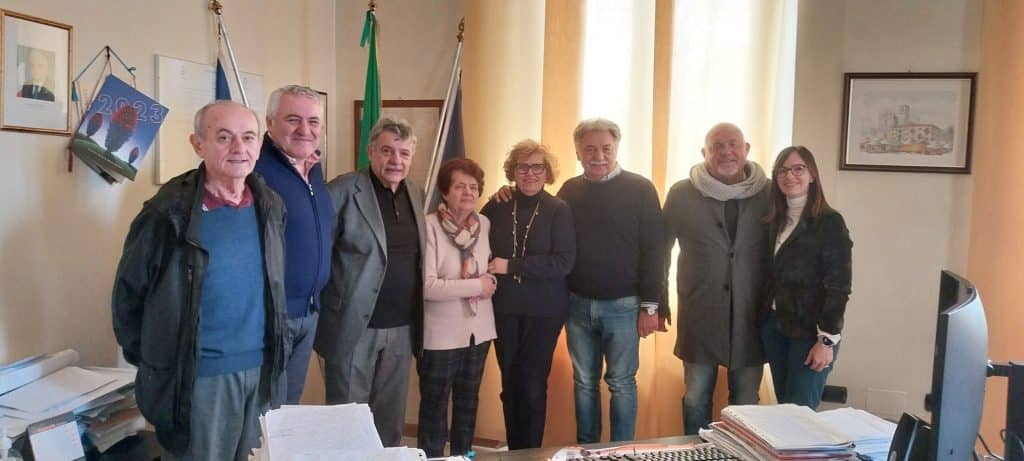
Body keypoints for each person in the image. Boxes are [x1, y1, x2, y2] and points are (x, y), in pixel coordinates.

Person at [111, 100, 287, 460]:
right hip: (200, 379)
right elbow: (128, 299)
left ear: (259, 145)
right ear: (198, 144)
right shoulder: (167, 213)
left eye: (248, 137)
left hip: (262, 371)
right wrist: (159, 361)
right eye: (224, 137)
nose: (239, 148)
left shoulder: (270, 205)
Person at [313, 117, 426, 447]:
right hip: (353, 327)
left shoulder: (416, 193)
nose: (396, 160)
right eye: (387, 151)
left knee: (390, 422)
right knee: (347, 422)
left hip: (402, 328)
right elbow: (319, 255)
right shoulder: (343, 190)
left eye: (404, 153)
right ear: (371, 151)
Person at [558, 118, 667, 443]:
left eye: (606, 148)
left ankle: (621, 451)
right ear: (578, 152)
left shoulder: (640, 189)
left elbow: (655, 251)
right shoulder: (569, 190)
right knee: (584, 383)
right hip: (577, 305)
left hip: (624, 307)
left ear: (617, 148)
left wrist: (651, 307)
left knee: (621, 383)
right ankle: (587, 450)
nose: (599, 156)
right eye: (590, 149)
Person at [663, 122, 771, 435]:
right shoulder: (682, 193)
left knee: (746, 401)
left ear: (746, 149)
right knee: (696, 397)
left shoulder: (769, 192)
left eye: (733, 144)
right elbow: (661, 250)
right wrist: (656, 302)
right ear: (704, 153)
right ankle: (696, 453)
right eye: (717, 146)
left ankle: (741, 454)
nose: (726, 152)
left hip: (752, 315)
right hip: (700, 312)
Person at [481, 140, 576, 449]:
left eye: (537, 167)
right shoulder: (497, 205)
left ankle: (530, 454)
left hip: (544, 312)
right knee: (510, 386)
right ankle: (514, 451)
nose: (530, 173)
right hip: (503, 309)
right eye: (523, 167)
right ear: (513, 171)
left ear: (547, 172)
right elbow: (472, 236)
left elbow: (563, 262)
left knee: (532, 387)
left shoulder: (558, 209)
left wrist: (511, 265)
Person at [254, 85, 333, 406]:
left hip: (308, 311)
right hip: (273, 315)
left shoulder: (312, 169)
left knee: (289, 408)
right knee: (267, 411)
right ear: (270, 123)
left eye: (313, 122)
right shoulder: (254, 172)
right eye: (293, 120)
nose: (305, 130)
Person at [759, 146, 852, 409]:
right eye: (782, 170)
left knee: (799, 413)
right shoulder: (774, 220)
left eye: (798, 169)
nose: (790, 176)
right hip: (776, 328)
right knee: (784, 410)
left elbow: (839, 286)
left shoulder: (829, 222)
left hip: (811, 333)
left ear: (812, 175)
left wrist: (826, 340)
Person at [417, 158, 497, 457]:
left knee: (468, 405)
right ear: (445, 192)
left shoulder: (484, 224)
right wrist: (478, 286)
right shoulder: (428, 226)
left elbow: (487, 270)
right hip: (440, 335)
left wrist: (489, 281)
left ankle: (464, 456)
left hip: (479, 332)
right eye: (460, 186)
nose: (468, 192)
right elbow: (428, 287)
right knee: (434, 408)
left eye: (473, 187)